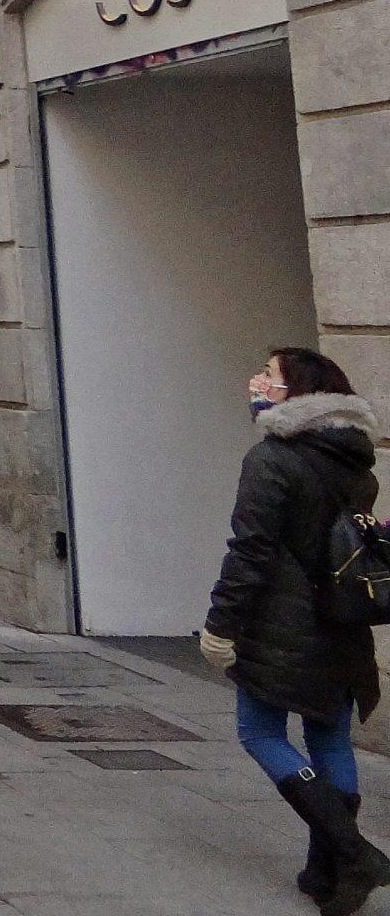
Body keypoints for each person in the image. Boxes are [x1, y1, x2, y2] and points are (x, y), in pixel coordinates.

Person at [202, 347, 388, 914]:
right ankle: (327, 870)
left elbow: (251, 550)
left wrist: (220, 624)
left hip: (281, 623)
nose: (256, 380)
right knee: (328, 734)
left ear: (296, 394)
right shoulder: (355, 464)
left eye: (270, 375)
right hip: (342, 621)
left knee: (260, 733)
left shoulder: (271, 459)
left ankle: (354, 852)